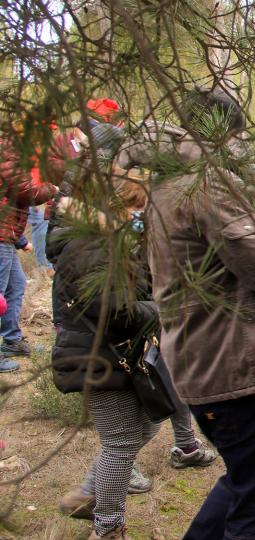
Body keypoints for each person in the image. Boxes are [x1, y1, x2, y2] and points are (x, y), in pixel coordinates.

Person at [119, 87, 255, 539]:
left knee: (241, 483)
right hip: (232, 364)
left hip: (209, 358)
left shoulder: (169, 186)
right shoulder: (207, 184)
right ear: (224, 134)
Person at [47, 172, 159, 540]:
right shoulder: (91, 246)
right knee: (121, 441)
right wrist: (158, 310)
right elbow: (108, 306)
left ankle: (89, 493)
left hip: (119, 352)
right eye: (136, 206)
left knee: (147, 425)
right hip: (96, 356)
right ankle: (107, 527)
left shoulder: (118, 242)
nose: (140, 214)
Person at [0, 125, 65, 369]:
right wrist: (53, 189)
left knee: (16, 286)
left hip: (6, 234)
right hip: (1, 235)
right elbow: (26, 191)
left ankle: (11, 340)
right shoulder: (9, 152)